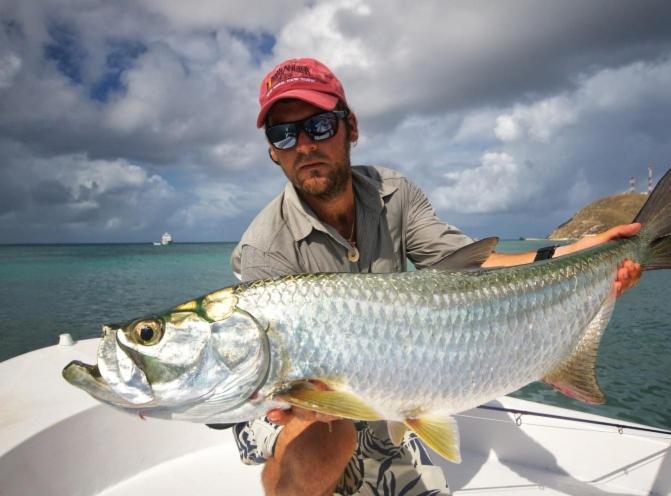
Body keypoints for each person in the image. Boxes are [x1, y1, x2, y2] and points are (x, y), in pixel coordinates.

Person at [229, 57, 642, 496]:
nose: (304, 145)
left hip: (381, 391)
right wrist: (307, 408)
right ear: (273, 150)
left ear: (351, 127)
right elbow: (270, 376)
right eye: (284, 133)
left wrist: (576, 252)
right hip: (289, 396)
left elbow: (470, 265)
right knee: (319, 452)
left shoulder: (394, 194)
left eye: (320, 125)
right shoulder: (262, 250)